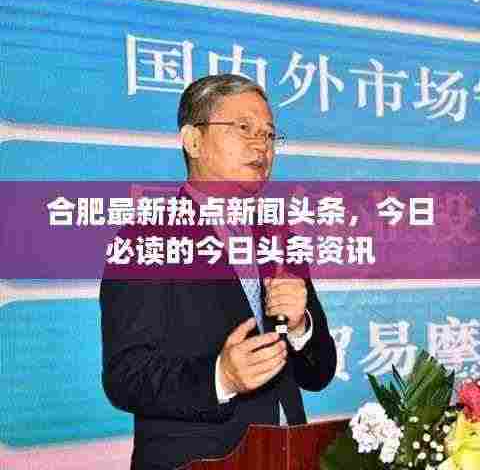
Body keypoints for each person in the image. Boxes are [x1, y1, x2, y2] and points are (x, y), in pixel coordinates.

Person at [100, 74, 337, 470]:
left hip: (288, 455)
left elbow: (319, 373)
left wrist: (300, 328)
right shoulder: (147, 239)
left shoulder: (279, 237)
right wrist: (220, 378)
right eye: (243, 128)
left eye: (269, 134)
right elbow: (125, 376)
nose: (261, 145)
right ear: (193, 140)